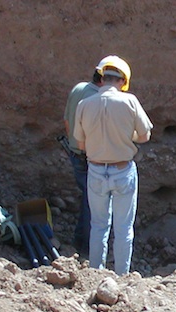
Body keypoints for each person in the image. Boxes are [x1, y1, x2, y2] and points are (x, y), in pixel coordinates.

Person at [74, 55, 153, 275]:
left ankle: (95, 274)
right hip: (122, 171)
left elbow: (81, 143)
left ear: (101, 78)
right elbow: (145, 135)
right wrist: (126, 137)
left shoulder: (84, 104)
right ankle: (121, 277)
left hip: (96, 170)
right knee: (123, 229)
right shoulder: (130, 101)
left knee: (98, 226)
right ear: (122, 81)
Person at [62, 56, 111, 256]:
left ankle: (81, 242)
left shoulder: (78, 88)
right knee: (93, 203)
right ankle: (86, 247)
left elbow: (67, 121)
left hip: (74, 151)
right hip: (89, 156)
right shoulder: (99, 99)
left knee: (87, 199)